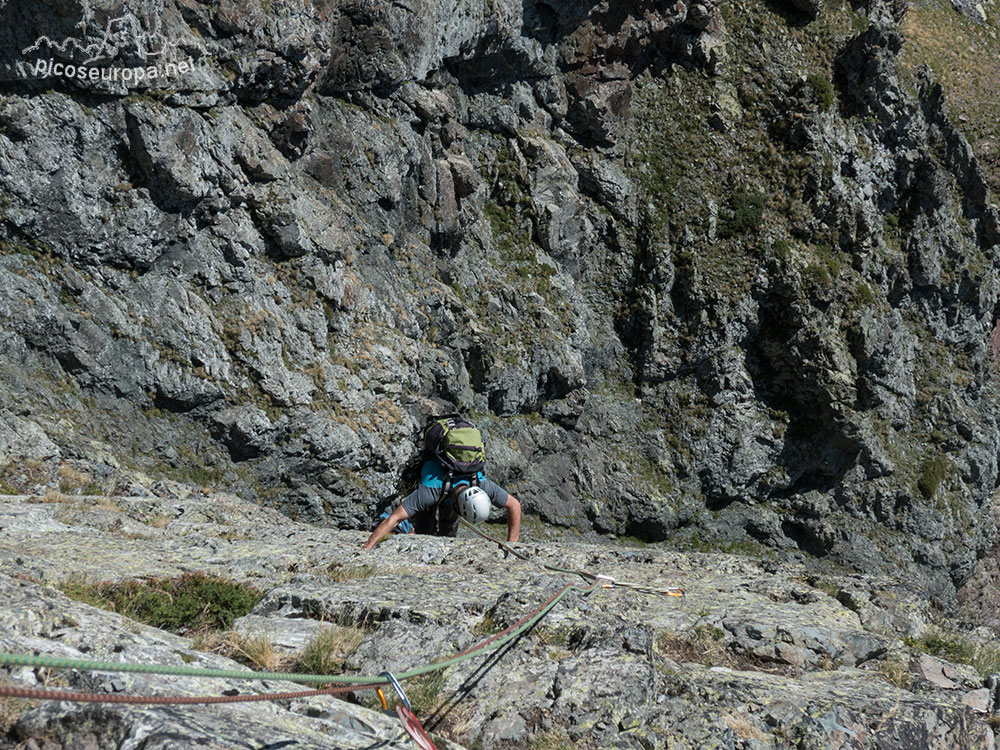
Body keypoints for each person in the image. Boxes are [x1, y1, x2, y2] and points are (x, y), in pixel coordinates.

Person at [362, 454, 521, 549]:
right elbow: (394, 518)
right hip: (432, 497)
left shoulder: (482, 484)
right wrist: (367, 547)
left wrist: (512, 545)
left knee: (448, 535)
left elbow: (514, 505)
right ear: (459, 509)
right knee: (425, 534)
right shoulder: (429, 492)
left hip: (451, 496)